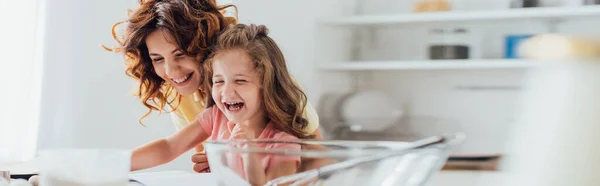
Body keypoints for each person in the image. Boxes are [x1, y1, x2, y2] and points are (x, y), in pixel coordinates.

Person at [106, 0, 323, 173]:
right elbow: (175, 149)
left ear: (204, 44)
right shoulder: (187, 96)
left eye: (180, 54)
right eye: (157, 58)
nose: (171, 71)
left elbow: (318, 160)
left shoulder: (273, 89)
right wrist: (109, 165)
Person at [131, 23, 312, 185]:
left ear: (267, 84)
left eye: (240, 81)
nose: (226, 92)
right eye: (218, 81)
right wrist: (116, 163)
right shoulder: (216, 116)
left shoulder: (284, 144)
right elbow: (169, 147)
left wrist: (249, 152)